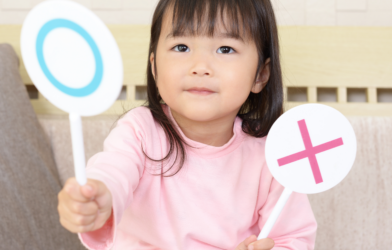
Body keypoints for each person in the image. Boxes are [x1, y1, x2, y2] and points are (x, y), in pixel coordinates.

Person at [57, 0, 317, 249]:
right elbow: (113, 172)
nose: (200, 67)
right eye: (181, 47)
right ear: (155, 67)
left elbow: (292, 238)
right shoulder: (139, 131)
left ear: (260, 75)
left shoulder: (272, 158)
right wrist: (99, 195)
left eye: (225, 49)